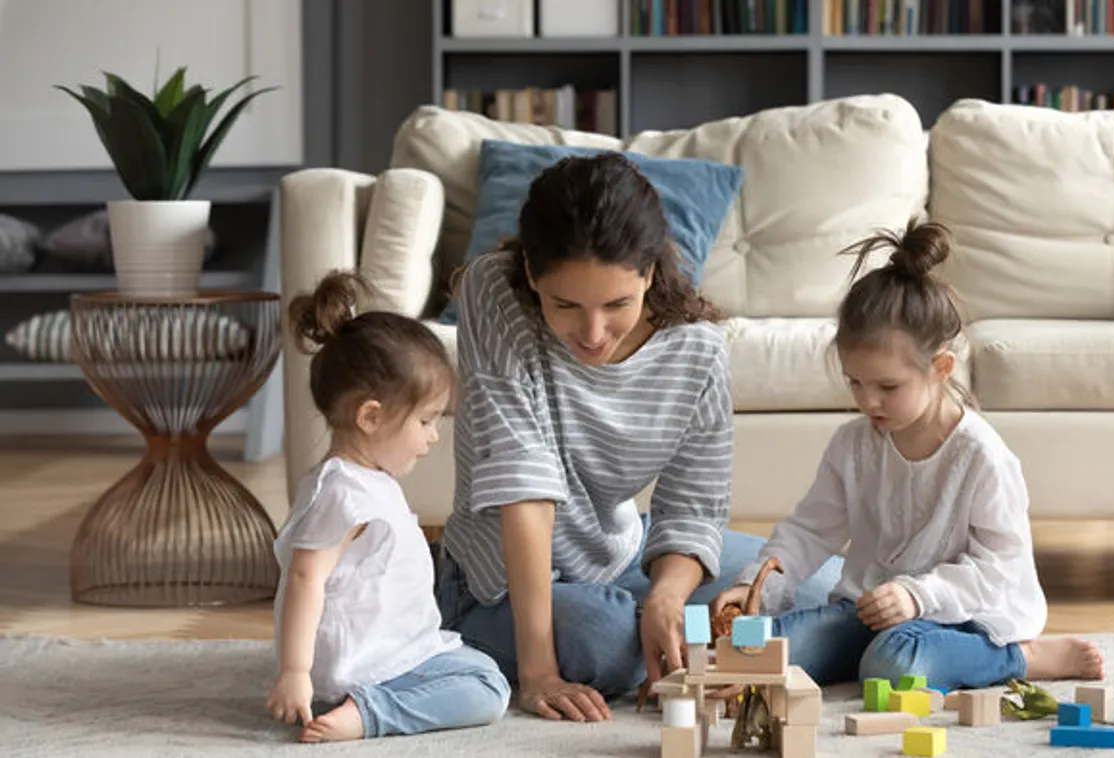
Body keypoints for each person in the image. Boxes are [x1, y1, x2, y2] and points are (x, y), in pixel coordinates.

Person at [433, 151, 842, 722]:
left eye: (617, 304)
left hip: (620, 552)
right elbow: (523, 482)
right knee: (606, 640)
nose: (592, 332)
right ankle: (682, 643)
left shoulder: (697, 349)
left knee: (827, 588)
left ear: (649, 273)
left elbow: (692, 509)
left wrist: (667, 596)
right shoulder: (494, 291)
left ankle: (677, 632)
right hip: (499, 578)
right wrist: (539, 673)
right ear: (530, 273)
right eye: (565, 304)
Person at [711, 219, 1106, 693]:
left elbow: (1001, 568)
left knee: (893, 664)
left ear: (941, 368)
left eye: (888, 386)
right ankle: (839, 650)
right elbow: (810, 530)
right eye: (855, 382)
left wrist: (917, 595)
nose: (868, 401)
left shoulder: (981, 457)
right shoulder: (852, 445)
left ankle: (1020, 657)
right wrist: (756, 585)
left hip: (959, 621)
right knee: (752, 650)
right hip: (868, 613)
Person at [266, 270, 510, 743]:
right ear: (371, 416)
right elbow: (303, 578)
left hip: (383, 653)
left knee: (480, 665)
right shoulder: (343, 492)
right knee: (487, 687)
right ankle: (369, 713)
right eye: (425, 421)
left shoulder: (364, 478)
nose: (433, 437)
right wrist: (295, 671)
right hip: (369, 668)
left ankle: (363, 703)